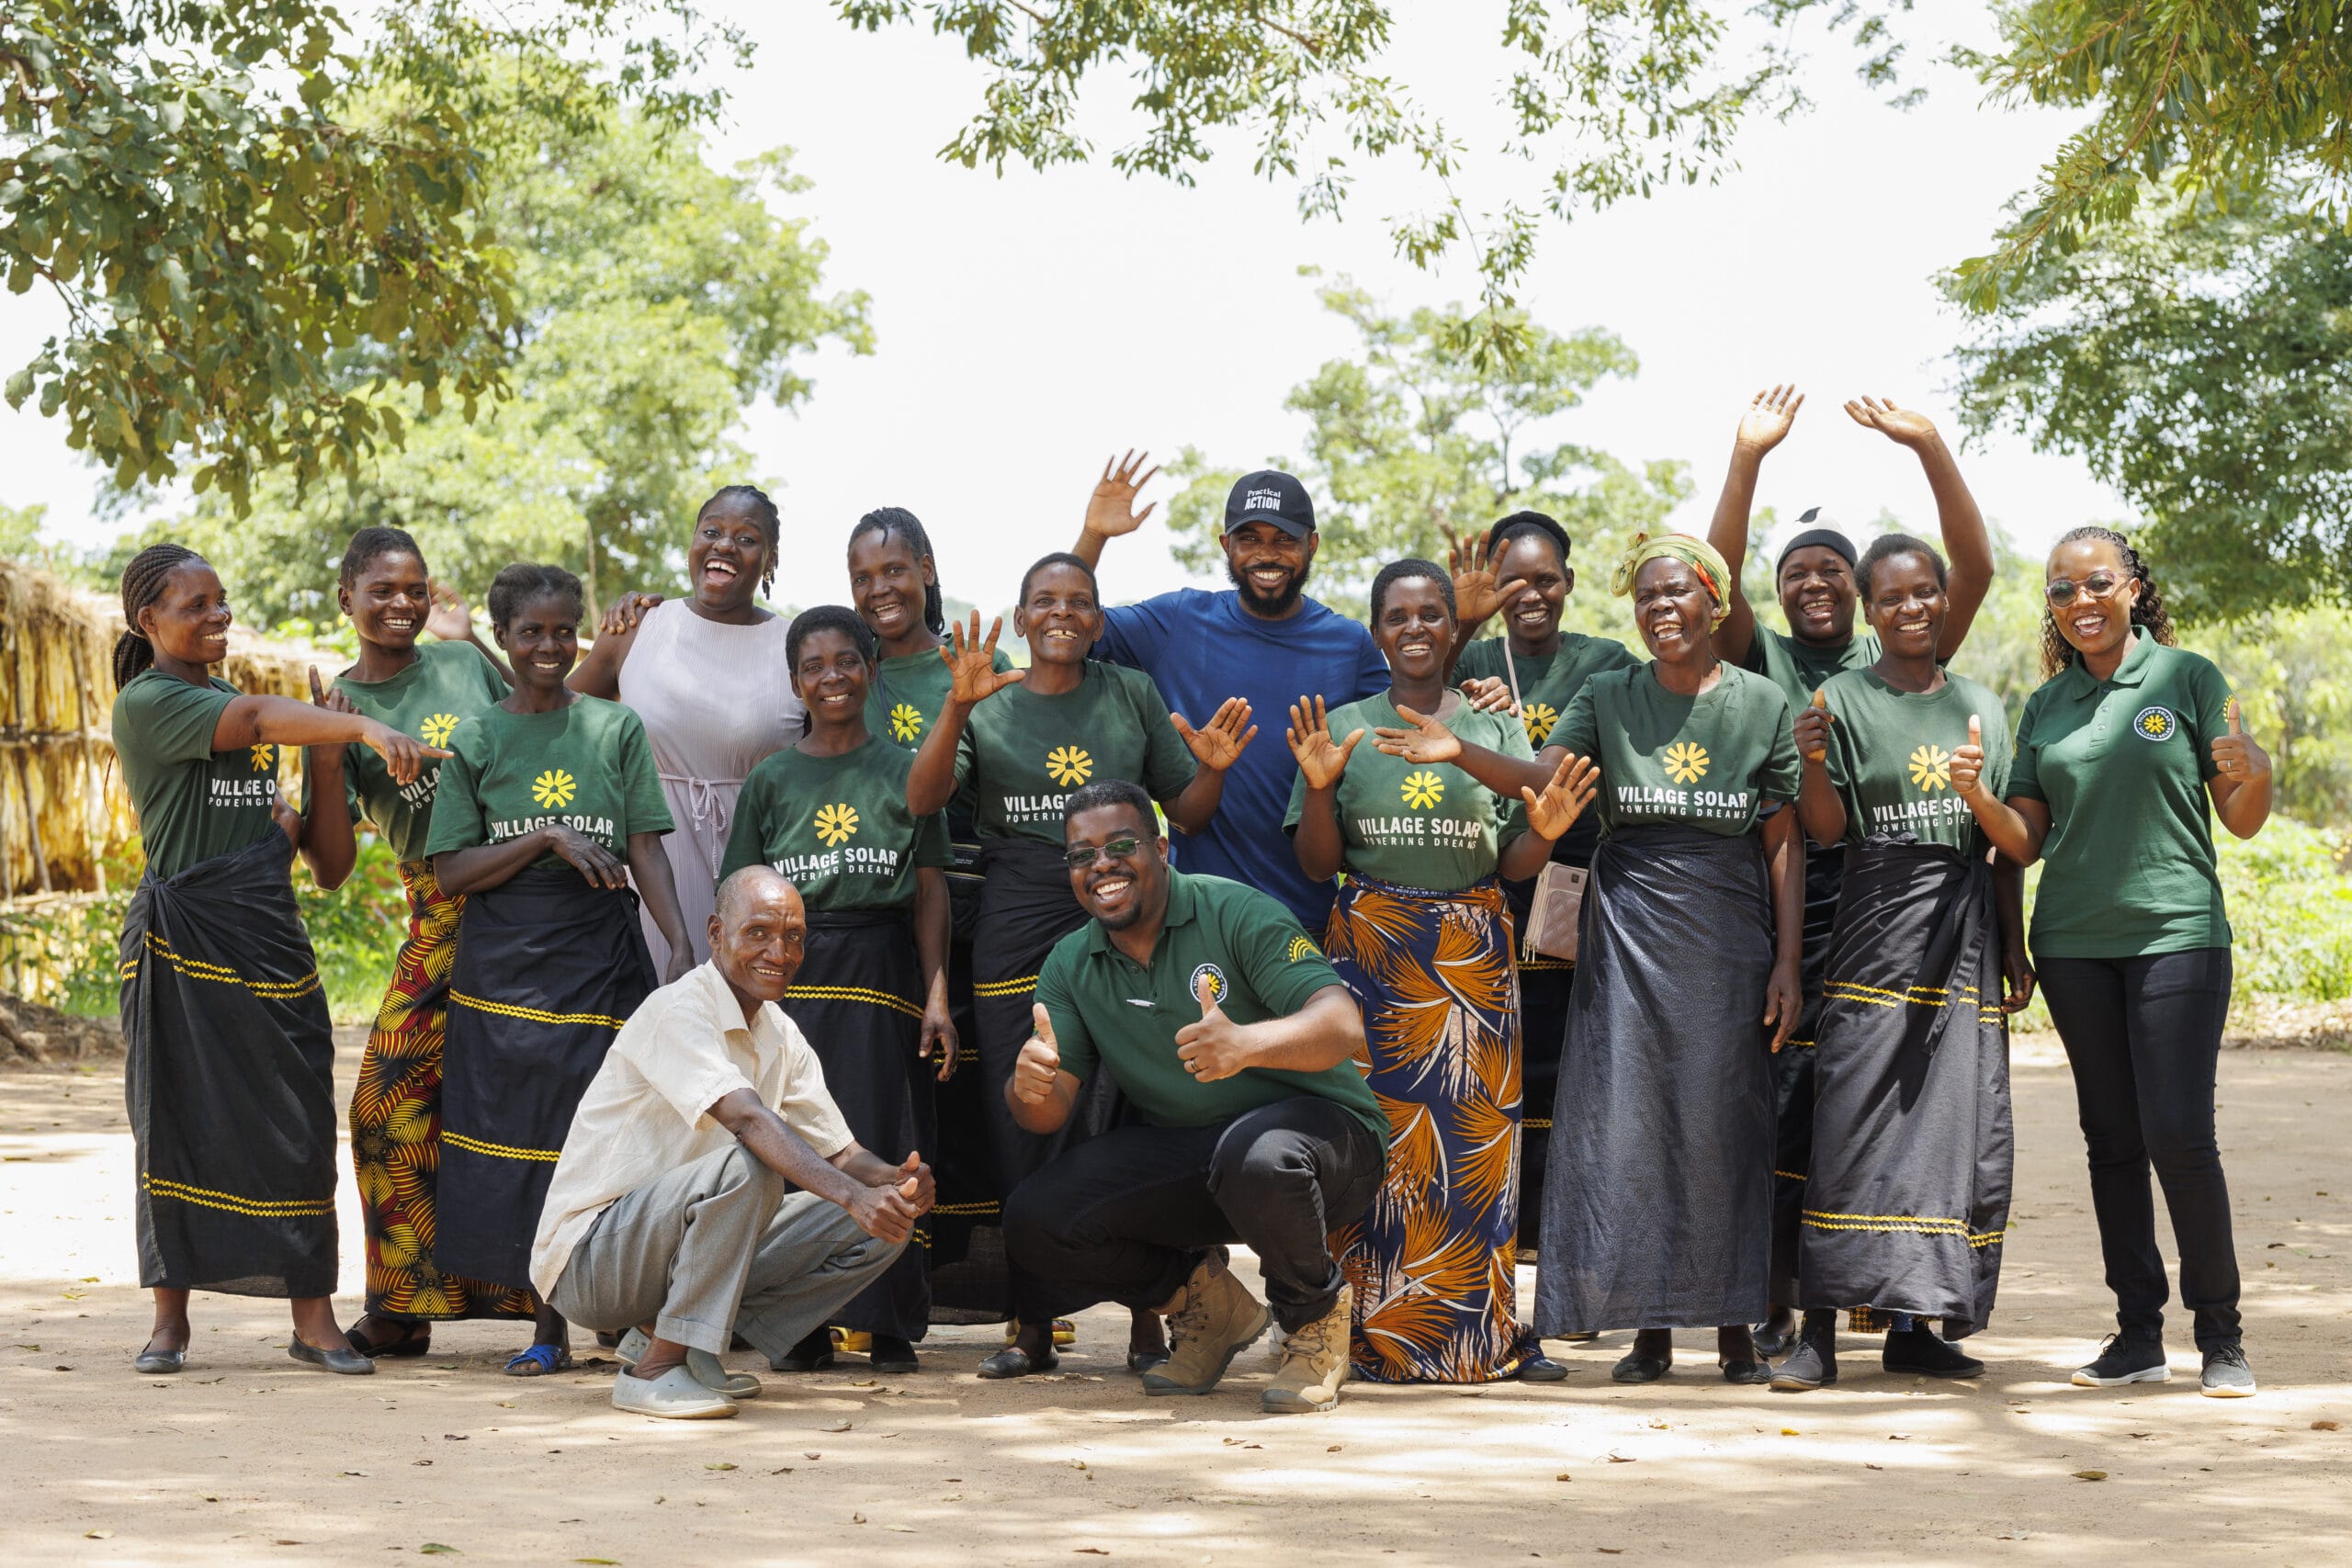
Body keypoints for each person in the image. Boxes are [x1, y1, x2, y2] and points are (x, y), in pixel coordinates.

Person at [905, 553, 1255, 1378]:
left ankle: (1150, 1316)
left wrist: (1208, 769)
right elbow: (922, 803)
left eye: (1080, 601)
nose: (1063, 612)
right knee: (1029, 1116)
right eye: (1044, 601)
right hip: (1020, 915)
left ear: (1099, 622)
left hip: (1130, 911)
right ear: (1021, 619)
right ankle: (1030, 1322)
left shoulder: (1130, 693)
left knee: (1142, 1111)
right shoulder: (985, 700)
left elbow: (1189, 811)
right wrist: (954, 705)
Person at [1703, 388, 1997, 1354]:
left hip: (1905, 911)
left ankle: (1906, 1313)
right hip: (1789, 908)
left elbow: (1975, 567)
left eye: (1832, 568)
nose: (1812, 584)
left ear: (1868, 596)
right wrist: (1746, 460)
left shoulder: (1899, 661)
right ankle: (1781, 1304)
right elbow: (1714, 584)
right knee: (1799, 1117)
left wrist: (1926, 446)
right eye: (1797, 573)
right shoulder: (1765, 665)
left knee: (1911, 1112)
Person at [109, 543, 444, 1377]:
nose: (217, 615)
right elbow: (257, 721)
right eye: (195, 606)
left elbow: (321, 862)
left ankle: (313, 1318)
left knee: (297, 1127)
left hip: (269, 942)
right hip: (185, 942)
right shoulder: (150, 702)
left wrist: (327, 757)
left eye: (221, 600)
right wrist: (365, 723)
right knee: (176, 1121)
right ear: (149, 621)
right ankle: (169, 1321)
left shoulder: (232, 702)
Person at [1954, 526, 2271, 1398]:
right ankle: (2137, 1332)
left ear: (2132, 586)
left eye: (2097, 582)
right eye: (2062, 589)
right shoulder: (2046, 703)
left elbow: (2241, 818)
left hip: (2177, 933)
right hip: (2074, 945)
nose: (2080, 601)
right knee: (2112, 1140)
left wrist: (2260, 769)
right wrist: (1979, 796)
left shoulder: (2186, 677)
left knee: (2178, 1132)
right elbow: (2024, 839)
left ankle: (2221, 1335)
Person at [1285, 559, 1597, 1385]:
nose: (1416, 626)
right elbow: (1319, 863)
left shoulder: (1495, 728)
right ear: (1377, 630)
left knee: (1475, 1149)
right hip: (1372, 957)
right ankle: (1352, 1335)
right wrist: (1320, 787)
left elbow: (1515, 858)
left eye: (1431, 612)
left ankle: (1477, 1335)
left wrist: (1551, 832)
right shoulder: (1343, 724)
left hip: (1473, 959)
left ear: (1452, 628)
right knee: (1375, 1148)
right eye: (1398, 615)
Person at [1002, 781, 1386, 1413]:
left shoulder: (1235, 911)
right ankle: (1206, 1306)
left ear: (1160, 847)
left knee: (1258, 1157)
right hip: (1205, 1155)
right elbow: (1047, 1113)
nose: (1101, 864)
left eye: (1120, 844)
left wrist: (1246, 1044)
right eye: (1080, 854)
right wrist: (1029, 1085)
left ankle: (1313, 1319)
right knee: (1038, 1216)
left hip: (1328, 1142)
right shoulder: (1071, 962)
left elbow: (1342, 1025)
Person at [1532, 533, 1804, 1385]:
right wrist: (1465, 749)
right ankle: (1645, 1329)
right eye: (1646, 596)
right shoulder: (1608, 693)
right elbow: (1541, 773)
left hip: (1727, 932)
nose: (1660, 608)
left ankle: (1732, 1328)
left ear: (1714, 601)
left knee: (1725, 1126)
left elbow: (1784, 839)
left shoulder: (1762, 701)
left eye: (1677, 591)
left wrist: (1787, 962)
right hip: (1629, 924)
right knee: (1633, 1124)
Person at [1773, 534, 2033, 1392]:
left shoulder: (1984, 706)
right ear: (1869, 611)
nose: (1912, 608)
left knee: (1949, 1128)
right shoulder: (1841, 694)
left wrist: (2015, 941)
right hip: (1875, 917)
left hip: (1962, 929)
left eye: (1925, 592)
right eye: (1892, 599)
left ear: (1943, 599)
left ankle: (1920, 1324)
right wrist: (1812, 757)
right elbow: (1826, 831)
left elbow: (2008, 849)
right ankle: (1818, 1331)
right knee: (1849, 1117)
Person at [532, 866, 931, 1419]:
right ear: (717, 934)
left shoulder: (779, 1031)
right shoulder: (678, 1009)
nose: (780, 951)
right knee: (753, 1166)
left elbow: (841, 1153)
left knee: (884, 1225)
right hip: (594, 1262)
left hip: (665, 1252)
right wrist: (850, 1193)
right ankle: (653, 1369)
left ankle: (680, 1342)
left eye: (793, 936)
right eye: (759, 932)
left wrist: (892, 1180)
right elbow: (748, 1121)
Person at [425, 562, 692, 1376]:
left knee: (604, 1137)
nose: (548, 645)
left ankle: (621, 1308)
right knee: (524, 1141)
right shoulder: (476, 738)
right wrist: (543, 839)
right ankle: (546, 1326)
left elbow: (644, 842)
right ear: (501, 639)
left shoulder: (614, 729)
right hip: (506, 971)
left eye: (561, 630)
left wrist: (677, 945)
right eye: (530, 633)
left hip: (603, 957)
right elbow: (450, 872)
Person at [299, 526, 533, 1359]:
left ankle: (550, 1295)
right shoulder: (335, 709)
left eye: (416, 589)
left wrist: (475, 642)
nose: (402, 604)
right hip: (436, 911)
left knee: (522, 1095)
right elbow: (328, 868)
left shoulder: (464, 663)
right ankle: (403, 1303)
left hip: (530, 899)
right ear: (346, 599)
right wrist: (331, 754)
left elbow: (541, 717)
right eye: (383, 591)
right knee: (385, 1106)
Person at [718, 605, 956, 1373]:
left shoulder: (907, 767)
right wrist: (744, 999)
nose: (832, 677)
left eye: (846, 661)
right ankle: (801, 1325)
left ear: (871, 669)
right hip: (795, 974)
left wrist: (937, 994)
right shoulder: (772, 778)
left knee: (886, 1133)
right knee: (801, 1144)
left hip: (882, 972)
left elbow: (930, 892)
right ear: (796, 682)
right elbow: (742, 897)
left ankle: (890, 1321)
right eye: (814, 666)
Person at [1072, 457, 1390, 933]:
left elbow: (1403, 722)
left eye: (1285, 539)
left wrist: (1474, 689)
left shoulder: (1348, 643)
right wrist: (1094, 536)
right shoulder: (1179, 620)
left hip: (1307, 912)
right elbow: (1073, 622)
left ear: (1313, 545)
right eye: (1250, 539)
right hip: (1195, 914)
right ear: (1226, 545)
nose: (1268, 555)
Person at [1442, 510, 1639, 1259]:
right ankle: (1491, 1240)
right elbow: (1415, 698)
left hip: (1580, 884)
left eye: (1546, 578)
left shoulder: (1607, 659)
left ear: (1570, 583)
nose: (1531, 592)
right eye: (1513, 579)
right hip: (1490, 878)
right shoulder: (1469, 651)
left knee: (1573, 1062)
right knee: (1494, 1063)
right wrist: (1461, 633)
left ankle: (1562, 1246)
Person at [846, 506, 1020, 1326]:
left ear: (926, 568)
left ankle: (995, 1286)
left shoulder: (972, 660)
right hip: (877, 908)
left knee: (977, 1094)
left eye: (893, 570)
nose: (880, 589)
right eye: (863, 577)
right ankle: (883, 1283)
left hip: (972, 898)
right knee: (890, 1095)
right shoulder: (845, 668)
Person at [572, 485, 803, 973]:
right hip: (649, 864)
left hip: (759, 866)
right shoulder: (638, 628)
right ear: (692, 544)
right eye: (712, 531)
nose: (724, 545)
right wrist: (469, 641)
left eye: (747, 538)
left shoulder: (795, 647)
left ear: (770, 559)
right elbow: (547, 713)